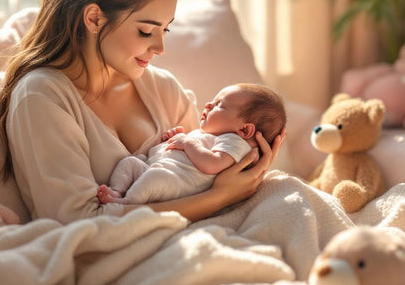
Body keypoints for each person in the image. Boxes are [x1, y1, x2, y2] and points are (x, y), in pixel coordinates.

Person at [0, 0, 285, 224]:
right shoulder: (41, 97)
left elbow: (210, 175)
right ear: (94, 18)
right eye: (146, 31)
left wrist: (250, 167)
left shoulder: (162, 88)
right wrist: (220, 197)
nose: (160, 47)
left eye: (165, 29)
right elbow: (78, 222)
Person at [97, 83, 286, 204]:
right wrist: (174, 138)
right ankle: (117, 191)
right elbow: (187, 149)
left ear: (244, 130)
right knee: (129, 162)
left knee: (154, 178)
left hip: (175, 183)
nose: (208, 105)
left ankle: (127, 203)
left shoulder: (235, 143)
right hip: (156, 169)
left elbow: (212, 164)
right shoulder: (210, 136)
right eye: (213, 101)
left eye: (220, 105)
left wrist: (188, 144)